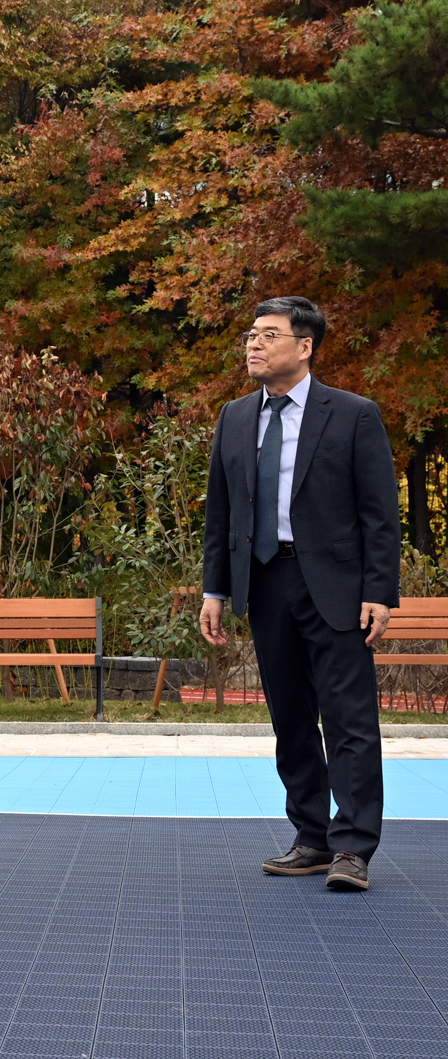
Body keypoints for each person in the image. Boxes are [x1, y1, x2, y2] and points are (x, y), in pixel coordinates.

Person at [200, 296, 401, 893]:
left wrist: (379, 591)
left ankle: (353, 847)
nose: (253, 344)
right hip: (265, 584)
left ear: (305, 346)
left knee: (348, 719)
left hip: (337, 589)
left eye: (269, 335)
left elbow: (380, 513)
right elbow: (221, 513)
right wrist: (215, 588)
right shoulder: (235, 416)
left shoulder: (354, 414)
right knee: (290, 717)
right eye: (250, 335)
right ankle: (311, 837)